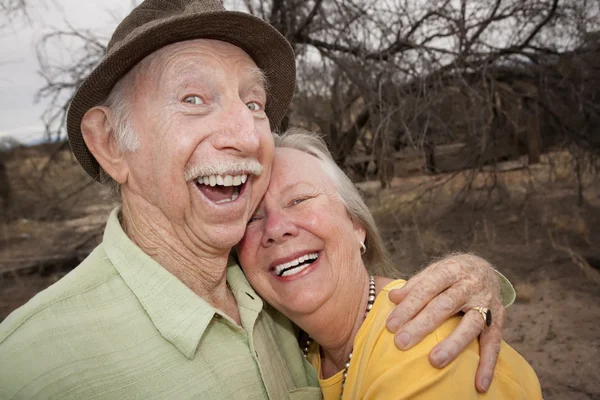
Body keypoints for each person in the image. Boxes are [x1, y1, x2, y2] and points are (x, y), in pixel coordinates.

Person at [0, 1, 514, 399]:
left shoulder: (273, 286)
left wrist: (476, 279)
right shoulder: (28, 365)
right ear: (112, 144)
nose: (246, 136)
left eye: (254, 103)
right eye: (193, 99)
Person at [237, 128, 542, 399]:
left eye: (298, 200)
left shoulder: (422, 351)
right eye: (252, 217)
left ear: (357, 224)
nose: (275, 228)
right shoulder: (304, 349)